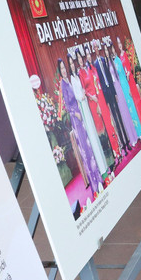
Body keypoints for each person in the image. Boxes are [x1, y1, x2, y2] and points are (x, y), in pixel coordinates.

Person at [58, 58, 103, 199]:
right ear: (60, 71)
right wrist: (75, 113)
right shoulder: (63, 85)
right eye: (63, 68)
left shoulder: (69, 82)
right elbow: (66, 105)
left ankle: (99, 180)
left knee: (89, 148)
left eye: (65, 67)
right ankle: (94, 185)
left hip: (81, 117)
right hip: (76, 120)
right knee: (84, 151)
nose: (65, 70)